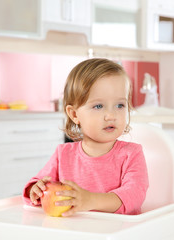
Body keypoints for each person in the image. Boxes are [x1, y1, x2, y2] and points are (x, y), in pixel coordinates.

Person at [22, 58, 149, 216]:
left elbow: (134, 196)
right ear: (74, 114)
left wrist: (91, 201)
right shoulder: (63, 154)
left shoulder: (132, 154)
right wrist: (35, 190)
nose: (111, 115)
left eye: (120, 105)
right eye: (98, 106)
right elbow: (37, 184)